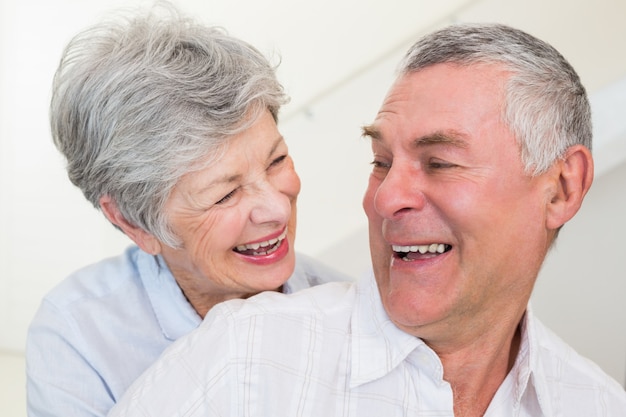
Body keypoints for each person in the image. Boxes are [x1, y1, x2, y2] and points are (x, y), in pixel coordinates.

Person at [107, 22, 626, 417]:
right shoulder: (245, 359)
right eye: (381, 163)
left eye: (440, 163)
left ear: (562, 188)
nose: (385, 198)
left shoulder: (596, 404)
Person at [25, 5, 352, 417]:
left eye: (276, 161)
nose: (276, 209)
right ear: (131, 222)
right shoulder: (78, 336)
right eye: (225, 195)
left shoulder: (347, 304)